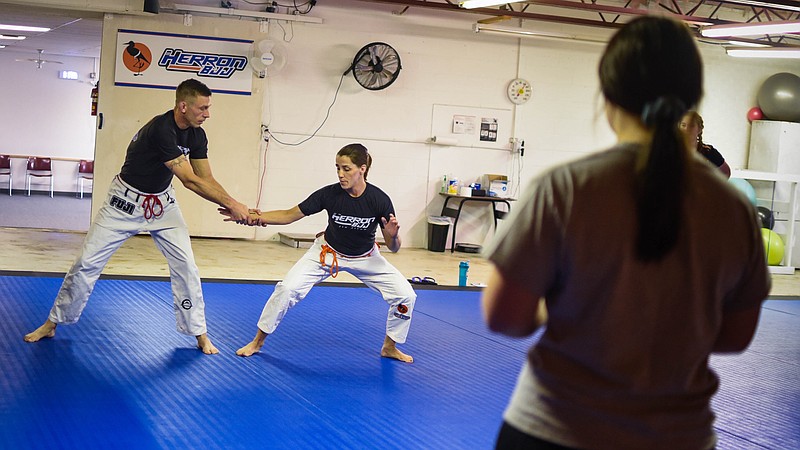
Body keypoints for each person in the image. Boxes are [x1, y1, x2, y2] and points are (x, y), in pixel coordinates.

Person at [481, 17, 770, 450]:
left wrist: (564, 312)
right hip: (679, 437)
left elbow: (505, 316)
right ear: (691, 100)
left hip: (555, 428)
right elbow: (735, 336)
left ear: (608, 91)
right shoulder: (734, 208)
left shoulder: (565, 187)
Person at [23, 78, 253, 354]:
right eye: (202, 108)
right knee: (86, 263)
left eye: (208, 108)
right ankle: (52, 323)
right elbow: (190, 181)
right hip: (123, 204)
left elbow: (206, 178)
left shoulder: (196, 135)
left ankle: (199, 333)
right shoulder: (161, 130)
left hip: (162, 205)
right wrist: (234, 204)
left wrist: (234, 205)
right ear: (183, 106)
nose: (207, 114)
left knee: (187, 266)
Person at [223, 143, 416, 363]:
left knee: (405, 295)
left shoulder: (379, 199)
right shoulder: (330, 194)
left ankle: (390, 347)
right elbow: (289, 215)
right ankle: (257, 342)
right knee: (287, 289)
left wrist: (393, 235)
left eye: (346, 169)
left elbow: (394, 247)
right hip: (327, 253)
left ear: (362, 169)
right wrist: (254, 216)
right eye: (337, 168)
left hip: (366, 258)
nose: (340, 174)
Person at [680, 110, 732, 178]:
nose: (686, 129)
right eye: (683, 125)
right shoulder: (669, 150)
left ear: (699, 129)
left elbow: (726, 173)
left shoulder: (708, 152)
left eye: (691, 126)